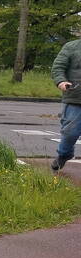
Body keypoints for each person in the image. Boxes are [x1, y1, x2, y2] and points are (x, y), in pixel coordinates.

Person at [50, 36, 81, 171]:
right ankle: (64, 155)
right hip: (75, 97)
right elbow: (58, 67)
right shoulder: (71, 47)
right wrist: (61, 81)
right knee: (70, 132)